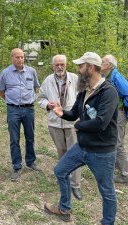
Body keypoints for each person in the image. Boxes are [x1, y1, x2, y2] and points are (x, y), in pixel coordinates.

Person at [44, 52, 119, 225]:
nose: (77, 69)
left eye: (81, 66)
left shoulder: (108, 92)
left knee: (107, 190)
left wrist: (77, 126)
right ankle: (64, 208)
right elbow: (73, 114)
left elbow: (101, 123)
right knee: (60, 170)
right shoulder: (84, 90)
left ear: (91, 68)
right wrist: (61, 113)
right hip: (83, 146)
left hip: (102, 151)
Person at [38, 54, 82, 200]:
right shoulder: (47, 80)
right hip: (55, 123)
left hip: (71, 123)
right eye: (57, 65)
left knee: (75, 154)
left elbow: (83, 96)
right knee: (62, 152)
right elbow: (40, 99)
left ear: (66, 65)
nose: (59, 67)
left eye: (62, 64)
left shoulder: (75, 79)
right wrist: (47, 105)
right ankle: (64, 180)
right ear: (53, 66)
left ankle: (75, 185)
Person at [0, 48, 41, 181]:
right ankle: (17, 166)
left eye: (22, 57)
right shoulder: (5, 73)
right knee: (14, 139)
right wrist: (12, 101)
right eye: (17, 57)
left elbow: (35, 88)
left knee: (30, 136)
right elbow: (1, 91)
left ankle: (30, 161)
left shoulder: (32, 71)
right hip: (13, 110)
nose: (20, 59)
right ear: (12, 58)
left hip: (29, 109)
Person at [101, 54, 128, 184]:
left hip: (119, 114)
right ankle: (117, 169)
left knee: (117, 144)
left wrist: (123, 107)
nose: (100, 63)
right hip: (113, 114)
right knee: (112, 141)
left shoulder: (116, 77)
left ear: (109, 65)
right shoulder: (107, 76)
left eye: (103, 61)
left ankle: (126, 175)